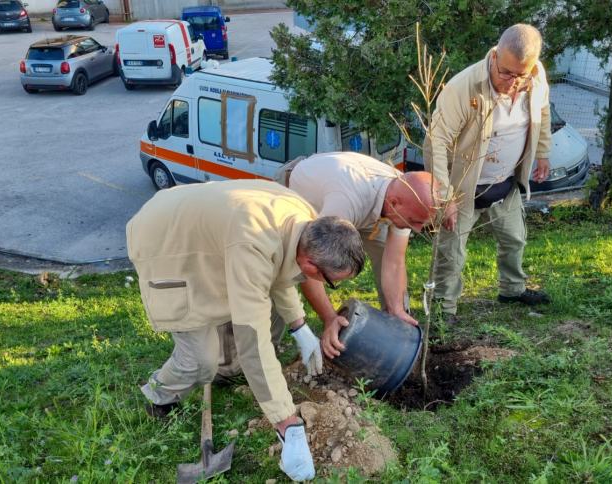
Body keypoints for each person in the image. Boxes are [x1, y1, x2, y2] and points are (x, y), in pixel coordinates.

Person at [126, 180, 366, 482]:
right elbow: (252, 338)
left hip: (205, 231)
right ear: (311, 265)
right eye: (332, 281)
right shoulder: (252, 243)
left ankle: (225, 369)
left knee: (234, 317)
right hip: (164, 243)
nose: (333, 287)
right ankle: (159, 395)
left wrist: (299, 326)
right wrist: (286, 424)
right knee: (201, 360)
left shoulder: (307, 222)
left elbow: (282, 269)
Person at [425, 23, 552, 323]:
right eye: (505, 73)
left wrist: (543, 151)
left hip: (505, 184)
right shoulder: (463, 87)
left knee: (514, 240)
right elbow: (435, 140)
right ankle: (445, 310)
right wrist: (444, 196)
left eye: (520, 75)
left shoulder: (534, 76)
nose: (512, 82)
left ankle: (512, 289)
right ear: (494, 56)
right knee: (452, 254)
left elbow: (543, 110)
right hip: (463, 190)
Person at [276, 151, 438, 358]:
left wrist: (396, 308)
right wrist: (329, 318)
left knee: (392, 280)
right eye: (415, 221)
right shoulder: (346, 200)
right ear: (395, 203)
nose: (417, 229)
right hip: (302, 193)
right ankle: (238, 362)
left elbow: (395, 261)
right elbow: (309, 264)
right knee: (279, 275)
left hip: (370, 208)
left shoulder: (406, 198)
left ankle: (395, 324)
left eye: (421, 222)